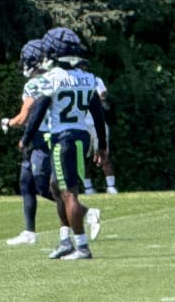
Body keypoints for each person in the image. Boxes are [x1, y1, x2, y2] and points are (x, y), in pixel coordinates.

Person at [20, 27, 107, 260]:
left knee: (68, 192)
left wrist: (26, 139)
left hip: (63, 138)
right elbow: (98, 114)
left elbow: (38, 111)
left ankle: (82, 246)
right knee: (55, 188)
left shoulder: (53, 78)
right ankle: (65, 241)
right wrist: (103, 145)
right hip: (80, 136)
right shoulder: (89, 78)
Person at [2, 40, 100, 246]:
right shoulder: (74, 78)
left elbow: (28, 114)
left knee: (51, 187)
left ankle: (84, 216)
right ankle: (31, 232)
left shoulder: (40, 82)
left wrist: (11, 126)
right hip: (59, 135)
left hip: (47, 137)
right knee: (27, 182)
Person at [83, 76, 118, 195]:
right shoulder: (68, 81)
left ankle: (111, 186)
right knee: (84, 159)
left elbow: (102, 94)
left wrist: (98, 97)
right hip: (81, 126)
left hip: (98, 124)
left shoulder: (94, 79)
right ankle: (88, 188)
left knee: (104, 155)